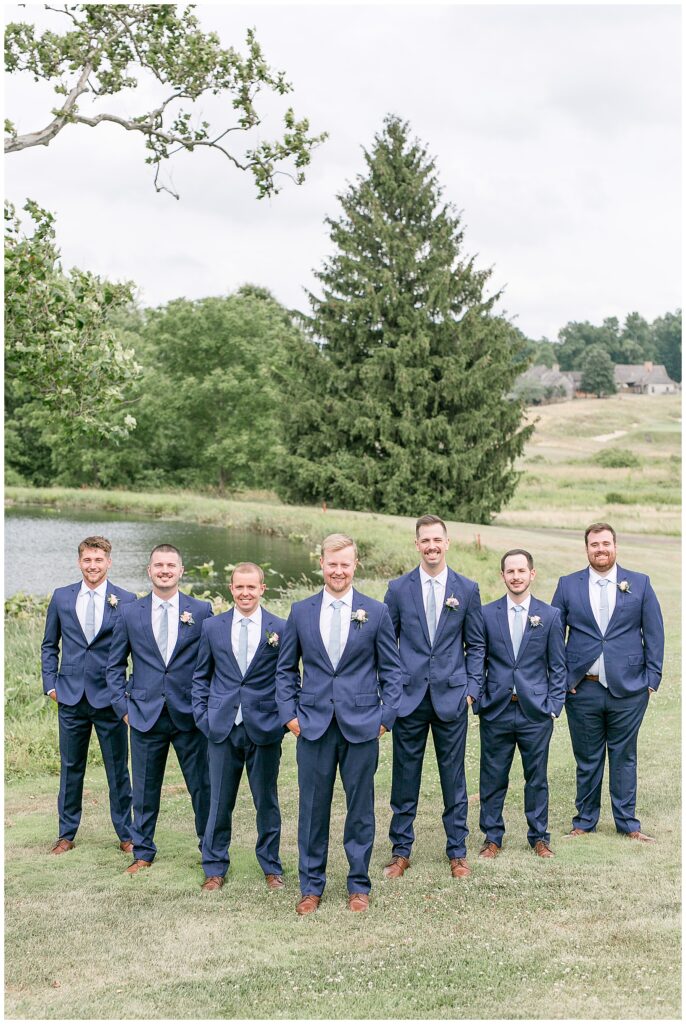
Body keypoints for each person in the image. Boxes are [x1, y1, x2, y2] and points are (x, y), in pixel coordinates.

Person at [276, 533, 402, 914]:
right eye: (332, 564)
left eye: (345, 564)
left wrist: (384, 720)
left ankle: (358, 886)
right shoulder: (300, 611)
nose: (338, 571)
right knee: (312, 808)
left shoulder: (376, 612)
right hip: (312, 726)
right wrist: (290, 716)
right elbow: (285, 671)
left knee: (360, 810)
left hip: (362, 726)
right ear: (321, 565)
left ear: (355, 565)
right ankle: (311, 887)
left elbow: (393, 674)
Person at [383, 514, 485, 880]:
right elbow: (386, 644)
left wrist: (472, 690)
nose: (431, 546)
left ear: (447, 542)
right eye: (425, 540)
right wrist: (392, 692)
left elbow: (476, 644)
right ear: (416, 544)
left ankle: (457, 851)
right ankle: (400, 851)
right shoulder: (397, 589)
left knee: (453, 778)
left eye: (437, 540)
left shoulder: (467, 588)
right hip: (409, 699)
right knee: (404, 777)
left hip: (452, 698)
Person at [551, 523, 664, 842]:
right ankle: (584, 821)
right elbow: (553, 635)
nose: (600, 549)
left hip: (628, 688)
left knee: (624, 755)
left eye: (605, 544)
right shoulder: (568, 585)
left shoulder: (640, 584)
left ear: (615, 546)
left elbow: (654, 632)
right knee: (587, 758)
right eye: (594, 545)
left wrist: (651, 679)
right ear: (586, 549)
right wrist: (562, 679)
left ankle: (628, 823)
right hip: (581, 687)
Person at [106, 543, 213, 873]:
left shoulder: (202, 611)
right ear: (149, 571)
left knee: (202, 789)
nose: (165, 570)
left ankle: (210, 854)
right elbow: (113, 666)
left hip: (189, 716)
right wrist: (123, 708)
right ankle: (143, 852)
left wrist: (203, 706)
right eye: (158, 565)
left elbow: (210, 665)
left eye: (171, 565)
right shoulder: (129, 612)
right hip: (144, 714)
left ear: (181, 571)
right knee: (144, 790)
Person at [192, 562, 287, 892]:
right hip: (221, 726)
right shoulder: (212, 627)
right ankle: (215, 867)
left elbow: (288, 677)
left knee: (267, 801)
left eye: (252, 587)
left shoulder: (280, 628)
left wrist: (282, 720)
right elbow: (200, 677)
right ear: (230, 589)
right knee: (218, 800)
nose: (245, 593)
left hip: (264, 726)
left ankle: (271, 866)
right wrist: (203, 718)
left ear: (262, 589)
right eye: (239, 587)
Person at [41, 535, 136, 855]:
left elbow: (139, 649)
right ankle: (66, 833)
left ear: (109, 562)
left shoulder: (126, 599)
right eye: (87, 560)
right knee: (71, 767)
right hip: (69, 697)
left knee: (117, 769)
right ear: (79, 561)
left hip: (110, 699)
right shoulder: (61, 597)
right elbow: (49, 645)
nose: (92, 566)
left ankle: (126, 833)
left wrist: (127, 693)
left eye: (98, 560)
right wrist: (50, 684)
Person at [476, 549, 566, 859]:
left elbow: (558, 666)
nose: (516, 576)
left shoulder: (550, 615)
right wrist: (480, 701)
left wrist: (554, 704)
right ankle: (492, 837)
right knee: (492, 775)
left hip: (535, 711)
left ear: (532, 574)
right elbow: (478, 659)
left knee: (536, 776)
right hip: (496, 709)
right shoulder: (486, 614)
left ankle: (539, 836)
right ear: (502, 576)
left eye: (521, 571)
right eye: (510, 571)